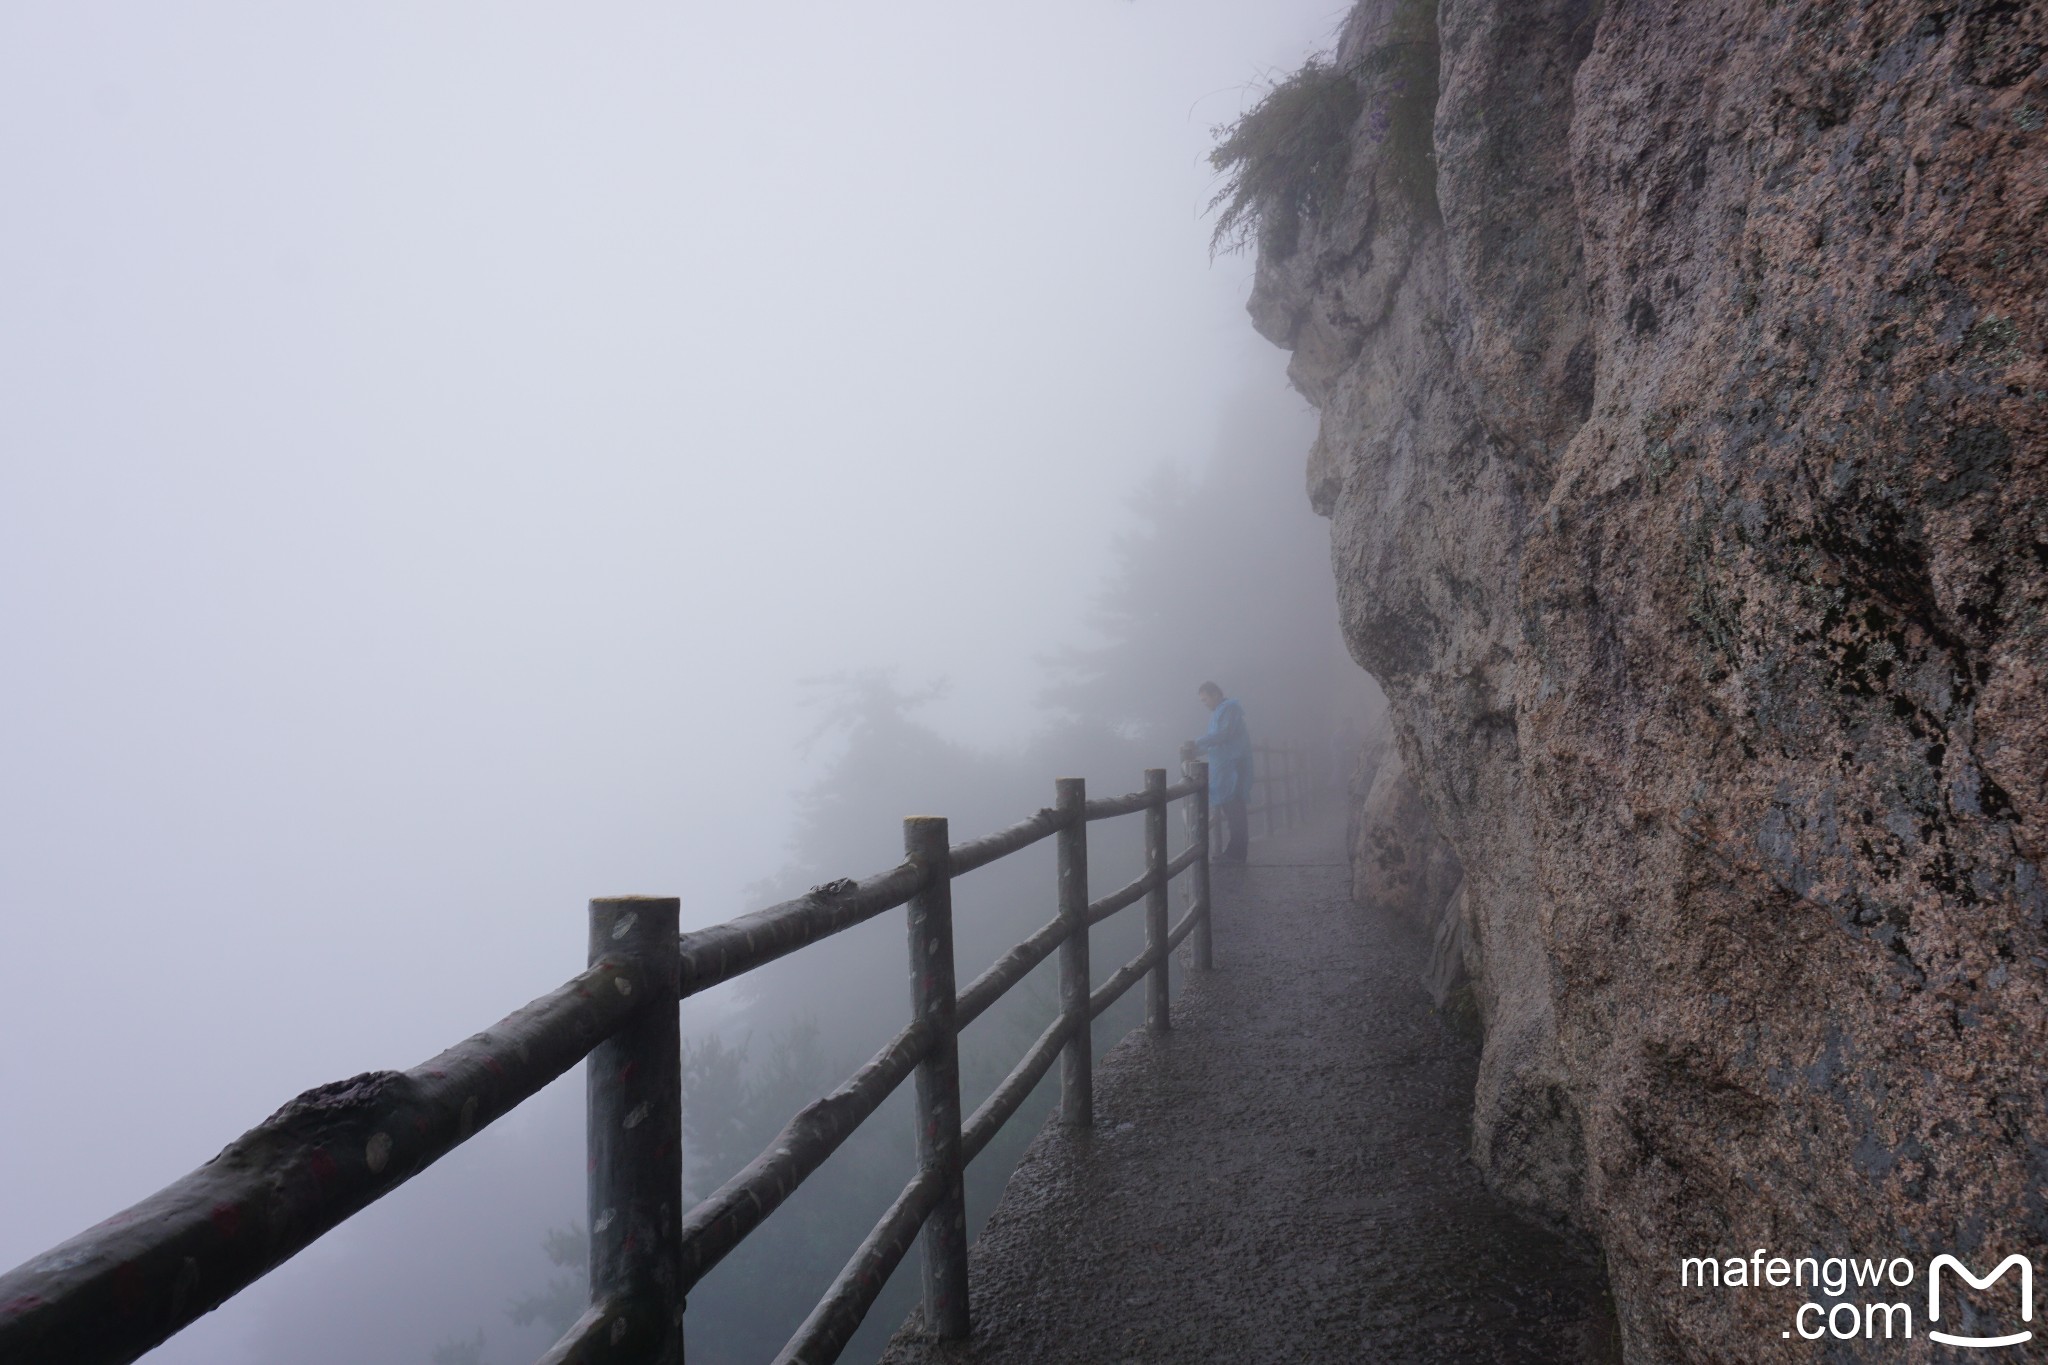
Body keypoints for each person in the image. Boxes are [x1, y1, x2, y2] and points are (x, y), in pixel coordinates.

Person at [1190, 681, 1252, 863]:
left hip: (1232, 768)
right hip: (1227, 768)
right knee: (1232, 811)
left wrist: (1196, 743)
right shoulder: (1222, 711)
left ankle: (1237, 854)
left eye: (1205, 699)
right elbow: (1220, 739)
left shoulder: (1229, 709)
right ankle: (1234, 852)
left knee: (1235, 812)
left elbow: (1223, 735)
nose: (1205, 703)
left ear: (1216, 694)